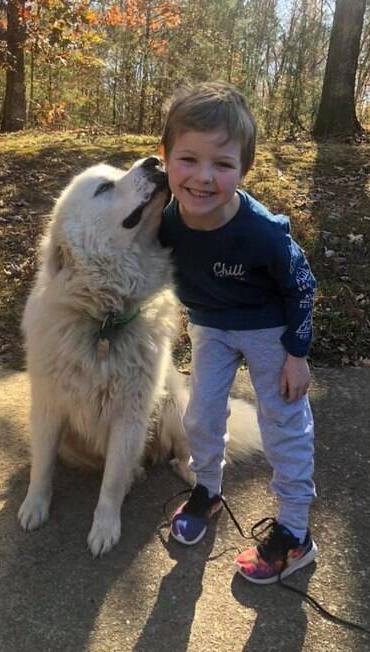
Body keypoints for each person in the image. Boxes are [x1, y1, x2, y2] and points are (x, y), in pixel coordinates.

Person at [158, 81, 317, 584]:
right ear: (164, 158)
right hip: (210, 327)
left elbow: (303, 285)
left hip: (270, 330)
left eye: (222, 165)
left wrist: (297, 353)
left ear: (242, 170)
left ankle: (294, 534)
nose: (204, 178)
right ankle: (207, 488)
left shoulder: (262, 231)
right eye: (188, 159)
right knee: (200, 415)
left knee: (283, 426)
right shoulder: (164, 225)